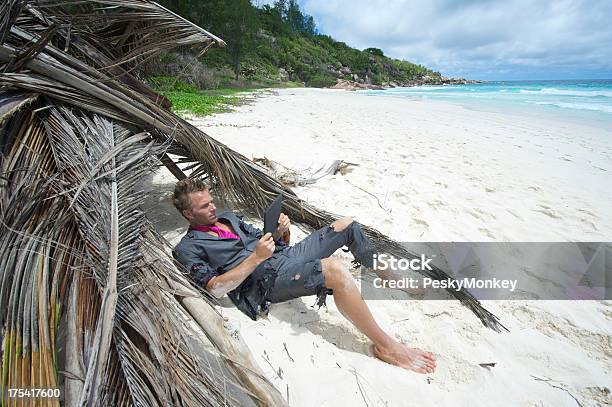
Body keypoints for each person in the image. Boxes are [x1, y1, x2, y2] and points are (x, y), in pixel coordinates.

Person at [172, 178, 436, 374]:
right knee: (334, 270)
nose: (213, 208)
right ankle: (386, 346)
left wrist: (280, 232)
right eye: (205, 206)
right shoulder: (188, 248)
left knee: (347, 224)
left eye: (212, 201)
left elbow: (267, 240)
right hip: (263, 282)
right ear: (187, 213)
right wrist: (256, 258)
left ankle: (390, 276)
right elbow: (216, 288)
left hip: (281, 258)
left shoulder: (228, 218)